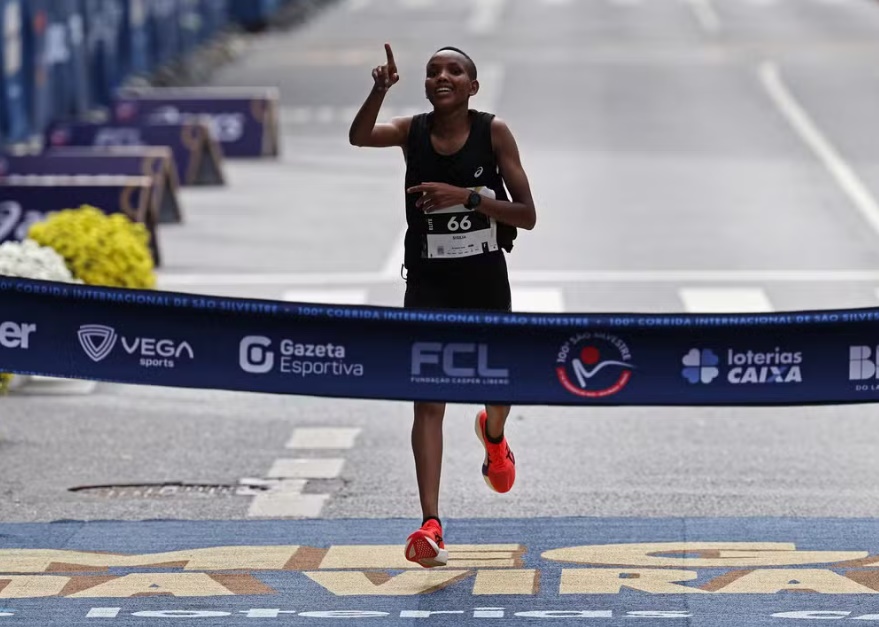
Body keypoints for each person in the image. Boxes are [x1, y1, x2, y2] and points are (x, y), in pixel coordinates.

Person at [348, 43, 537, 568]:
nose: (442, 77)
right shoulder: (411, 132)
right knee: (428, 401)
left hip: (484, 281)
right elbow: (359, 136)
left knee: (498, 389)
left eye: (454, 70)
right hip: (429, 283)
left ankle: (493, 436)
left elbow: (527, 215)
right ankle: (430, 523)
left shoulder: (493, 133)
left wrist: (467, 197)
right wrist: (379, 89)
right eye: (433, 71)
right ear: (426, 85)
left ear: (473, 87)